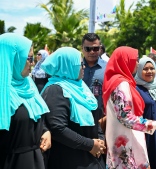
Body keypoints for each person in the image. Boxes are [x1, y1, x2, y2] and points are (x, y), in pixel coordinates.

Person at [102, 46, 156, 169]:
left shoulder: (116, 81)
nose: (137, 63)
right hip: (126, 143)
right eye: (135, 59)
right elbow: (126, 117)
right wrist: (155, 124)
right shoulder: (121, 84)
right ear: (125, 61)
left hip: (122, 139)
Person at [41, 47, 106, 169]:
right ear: (67, 66)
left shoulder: (80, 86)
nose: (84, 67)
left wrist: (100, 140)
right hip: (71, 158)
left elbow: (94, 117)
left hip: (91, 156)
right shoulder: (55, 90)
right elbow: (58, 128)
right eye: (80, 64)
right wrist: (89, 144)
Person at [0, 33, 51, 169]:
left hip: (36, 160)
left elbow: (33, 114)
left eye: (33, 57)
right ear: (13, 58)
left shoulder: (28, 83)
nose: (33, 62)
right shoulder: (2, 89)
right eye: (28, 58)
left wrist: (44, 130)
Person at [82, 33, 107, 121]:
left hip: (100, 119)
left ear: (100, 48)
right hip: (79, 117)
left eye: (95, 48)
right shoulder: (75, 68)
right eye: (88, 49)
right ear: (82, 49)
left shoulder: (108, 68)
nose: (92, 52)